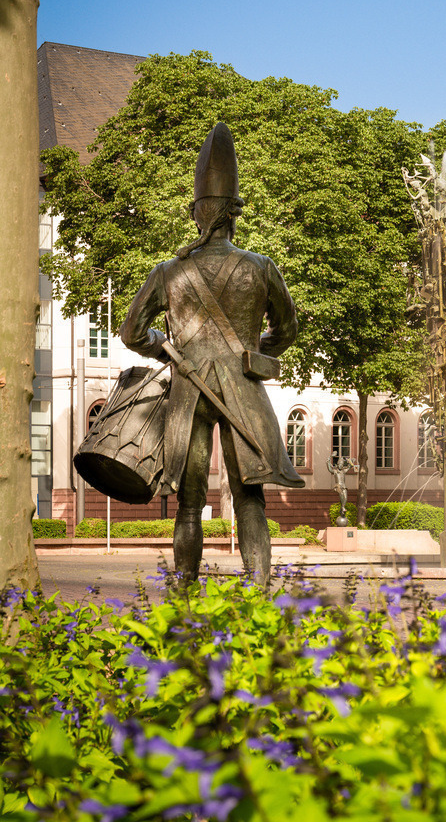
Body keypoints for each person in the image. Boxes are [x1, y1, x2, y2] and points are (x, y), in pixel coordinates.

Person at [120, 123, 304, 587]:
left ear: (198, 214)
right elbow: (288, 329)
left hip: (189, 389)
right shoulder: (262, 268)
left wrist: (167, 346)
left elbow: (131, 332)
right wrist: (254, 354)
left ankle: (183, 593)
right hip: (243, 387)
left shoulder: (169, 270)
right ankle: (258, 593)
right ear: (233, 214)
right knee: (250, 499)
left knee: (188, 502)